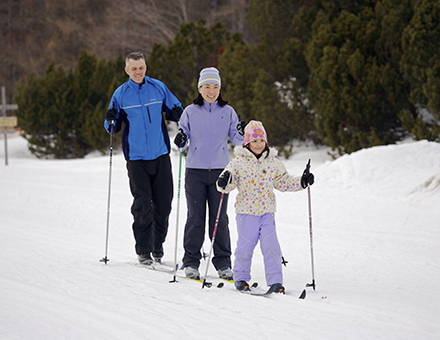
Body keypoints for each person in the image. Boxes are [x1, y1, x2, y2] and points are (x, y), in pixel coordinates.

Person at [216, 120, 315, 293]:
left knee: (271, 247)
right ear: (247, 142)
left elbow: (284, 181)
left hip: (267, 213)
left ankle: (275, 281)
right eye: (255, 141)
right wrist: (223, 181)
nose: (259, 144)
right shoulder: (238, 162)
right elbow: (227, 185)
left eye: (262, 140)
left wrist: (301, 181)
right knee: (245, 248)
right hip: (246, 214)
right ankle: (240, 277)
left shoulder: (273, 163)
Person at [104, 51, 183, 265]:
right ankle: (144, 250)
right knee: (142, 205)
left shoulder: (158, 87)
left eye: (141, 67)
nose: (138, 71)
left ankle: (158, 246)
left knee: (164, 204)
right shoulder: (120, 94)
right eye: (134, 68)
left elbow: (176, 109)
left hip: (160, 155)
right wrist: (110, 121)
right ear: (127, 70)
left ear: (145, 67)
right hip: (136, 158)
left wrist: (179, 114)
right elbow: (112, 125)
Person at [174, 67, 246, 280]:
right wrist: (180, 141)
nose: (211, 91)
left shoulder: (228, 112)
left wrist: (243, 133)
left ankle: (223, 263)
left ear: (220, 88)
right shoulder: (190, 111)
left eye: (215, 87)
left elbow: (238, 141)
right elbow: (182, 139)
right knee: (195, 218)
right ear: (199, 88)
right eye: (207, 86)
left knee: (219, 219)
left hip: (221, 172)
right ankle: (191, 262)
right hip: (195, 171)